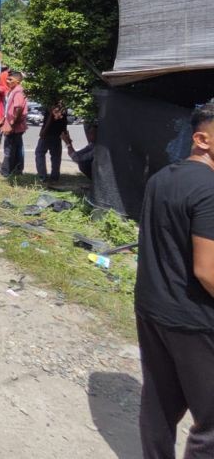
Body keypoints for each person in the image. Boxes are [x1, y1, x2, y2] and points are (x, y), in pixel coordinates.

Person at [134, 102, 214, 458]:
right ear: (202, 139)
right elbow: (207, 270)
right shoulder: (210, 190)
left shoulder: (161, 177)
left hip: (152, 309)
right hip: (195, 321)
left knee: (159, 403)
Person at [0, 70, 28, 177]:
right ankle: (17, 170)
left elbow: (18, 109)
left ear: (18, 81)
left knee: (9, 149)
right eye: (7, 78)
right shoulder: (13, 90)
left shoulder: (18, 91)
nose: (7, 81)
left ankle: (6, 172)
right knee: (17, 148)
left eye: (10, 79)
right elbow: (10, 109)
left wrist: (11, 124)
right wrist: (4, 119)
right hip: (12, 124)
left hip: (14, 126)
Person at [35, 102, 68, 182]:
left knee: (40, 153)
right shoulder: (63, 107)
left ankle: (43, 177)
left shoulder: (54, 106)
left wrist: (43, 132)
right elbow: (64, 123)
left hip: (48, 134)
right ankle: (54, 177)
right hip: (57, 134)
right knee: (56, 156)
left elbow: (51, 119)